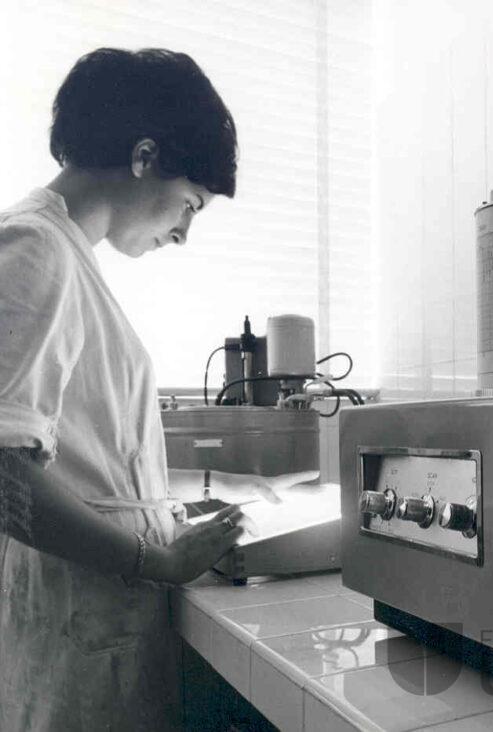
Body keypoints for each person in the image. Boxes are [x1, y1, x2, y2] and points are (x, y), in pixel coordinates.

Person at [0, 48, 315, 730]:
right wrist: (157, 557)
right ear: (145, 157)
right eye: (190, 204)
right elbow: (3, 476)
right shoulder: (36, 250)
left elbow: (79, 461)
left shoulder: (65, 256)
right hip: (79, 635)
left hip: (98, 622)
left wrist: (161, 510)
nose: (183, 233)